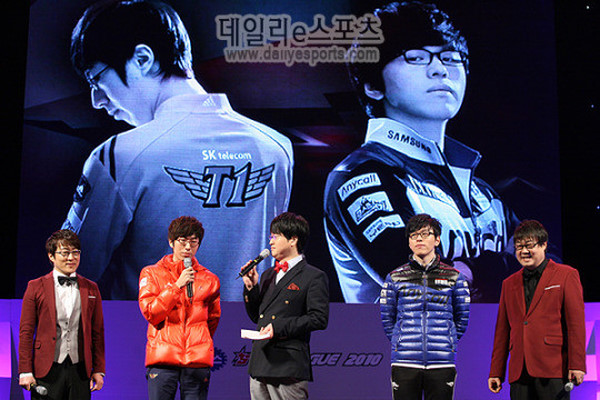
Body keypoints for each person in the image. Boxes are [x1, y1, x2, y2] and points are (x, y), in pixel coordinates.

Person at [63, 0, 293, 300]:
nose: (97, 100)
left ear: (142, 59)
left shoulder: (119, 157)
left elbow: (68, 277)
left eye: (96, 79)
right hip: (250, 330)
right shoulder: (276, 148)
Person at [323, 0, 520, 303]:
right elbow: (416, 278)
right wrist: (502, 270)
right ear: (373, 85)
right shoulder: (356, 176)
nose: (440, 69)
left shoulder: (481, 191)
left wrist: (470, 271)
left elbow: (548, 267)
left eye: (451, 58)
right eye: (416, 57)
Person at [488, 220, 585, 399]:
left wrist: (577, 364)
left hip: (553, 368)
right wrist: (496, 371)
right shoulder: (509, 283)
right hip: (519, 371)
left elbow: (575, 324)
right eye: (519, 247)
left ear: (544, 245)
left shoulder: (566, 275)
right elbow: (502, 331)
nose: (524, 251)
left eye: (529, 245)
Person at [380, 214, 470, 400]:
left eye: (424, 234)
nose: (418, 239)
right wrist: (401, 342)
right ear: (409, 242)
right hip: (404, 361)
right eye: (414, 235)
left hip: (442, 362)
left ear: (437, 239)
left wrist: (447, 341)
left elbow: (462, 318)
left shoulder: (454, 277)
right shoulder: (395, 277)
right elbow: (387, 319)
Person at [242, 212, 329, 400]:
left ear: (293, 240)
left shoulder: (313, 276)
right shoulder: (267, 275)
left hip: (288, 364)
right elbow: (257, 317)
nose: (271, 242)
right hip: (260, 362)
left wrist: (278, 327)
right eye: (270, 237)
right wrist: (251, 288)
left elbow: (318, 319)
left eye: (276, 236)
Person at [138, 216, 220, 400]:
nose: (188, 247)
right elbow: (151, 313)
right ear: (171, 242)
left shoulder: (210, 279)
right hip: (163, 358)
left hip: (197, 361)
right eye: (182, 241)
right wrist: (176, 286)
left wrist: (199, 341)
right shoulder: (151, 273)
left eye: (193, 242)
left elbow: (213, 320)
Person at [18, 229, 105, 399]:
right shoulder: (35, 287)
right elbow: (26, 332)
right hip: (46, 368)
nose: (71, 258)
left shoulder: (91, 288)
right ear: (51, 256)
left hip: (80, 369)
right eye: (65, 253)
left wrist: (99, 369)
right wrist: (25, 370)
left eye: (75, 252)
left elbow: (97, 332)